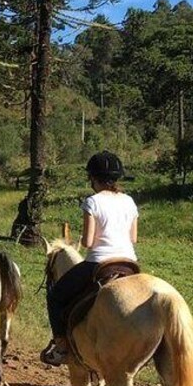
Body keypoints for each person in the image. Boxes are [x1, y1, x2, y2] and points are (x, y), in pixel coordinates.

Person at [41, 150, 139, 366]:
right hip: (130, 263)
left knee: (56, 296)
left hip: (99, 263)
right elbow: (133, 237)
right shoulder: (130, 201)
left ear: (93, 178)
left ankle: (61, 345)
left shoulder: (92, 202)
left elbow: (87, 242)